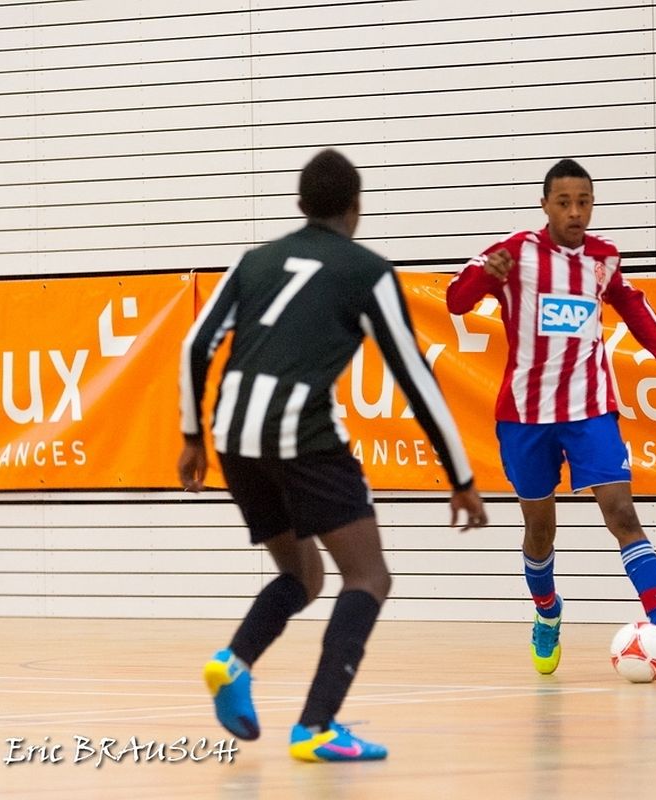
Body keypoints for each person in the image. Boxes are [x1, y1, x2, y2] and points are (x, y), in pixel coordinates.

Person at [178, 149, 487, 762]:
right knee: (368, 577)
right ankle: (316, 726)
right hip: (302, 436)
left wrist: (192, 437)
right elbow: (415, 379)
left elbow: (195, 345)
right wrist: (460, 476)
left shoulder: (253, 260)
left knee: (303, 575)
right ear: (356, 208)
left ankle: (234, 662)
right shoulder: (365, 271)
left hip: (232, 436)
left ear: (300, 205)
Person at [445, 158, 656, 674]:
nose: (575, 212)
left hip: (590, 408)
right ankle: (547, 612)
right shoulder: (516, 252)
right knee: (540, 530)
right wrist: (483, 275)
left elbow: (631, 303)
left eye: (583, 202)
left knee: (621, 512)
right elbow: (455, 300)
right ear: (545, 206)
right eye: (564, 203)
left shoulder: (603, 257)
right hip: (525, 415)